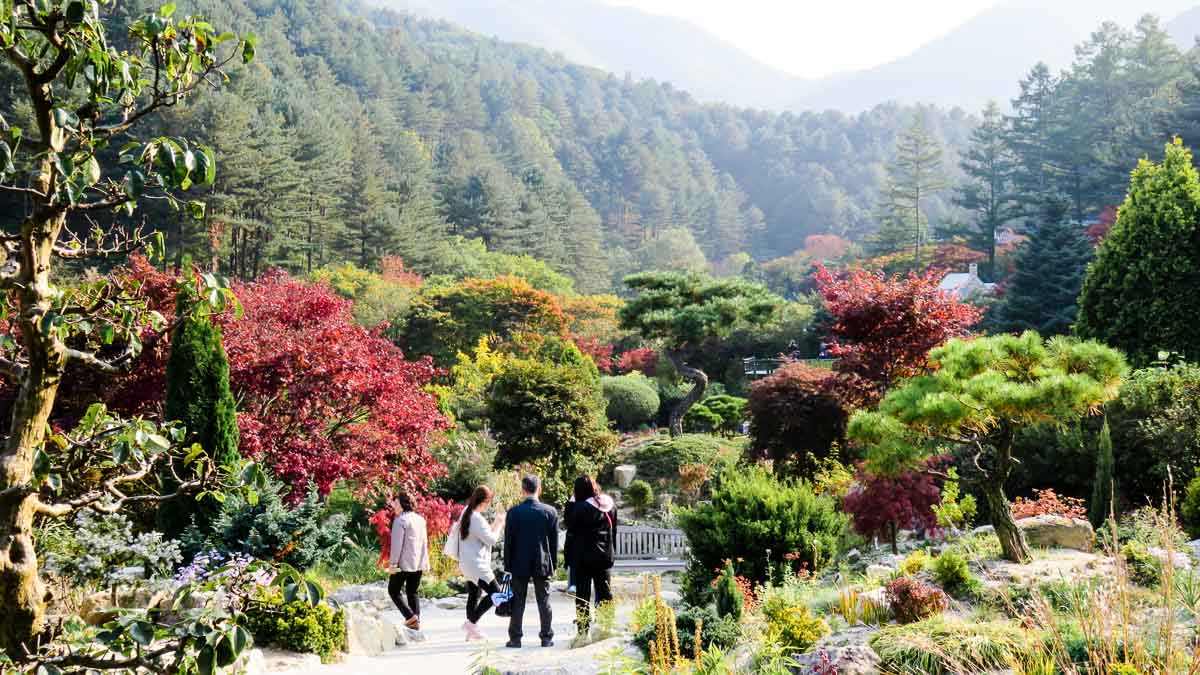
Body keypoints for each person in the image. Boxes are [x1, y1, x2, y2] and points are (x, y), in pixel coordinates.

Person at [503, 475, 558, 648]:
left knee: (518, 600)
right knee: (544, 600)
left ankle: (515, 638)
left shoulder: (513, 512)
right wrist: (553, 565)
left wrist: (507, 566)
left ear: (523, 490)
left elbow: (509, 541)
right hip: (541, 561)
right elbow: (554, 543)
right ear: (539, 489)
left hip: (519, 562)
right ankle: (546, 637)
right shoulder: (550, 512)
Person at [564, 475, 617, 635]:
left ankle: (583, 632)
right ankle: (606, 627)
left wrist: (571, 501)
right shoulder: (608, 505)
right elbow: (613, 531)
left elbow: (569, 524)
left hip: (583, 559)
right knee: (605, 593)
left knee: (582, 596)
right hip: (603, 557)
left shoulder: (579, 508)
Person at [456, 485, 506, 641]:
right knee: (497, 594)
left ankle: (472, 630)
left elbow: (483, 535)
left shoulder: (467, 512)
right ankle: (471, 624)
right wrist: (500, 524)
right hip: (477, 565)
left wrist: (495, 524)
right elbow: (491, 539)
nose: (489, 506)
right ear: (484, 501)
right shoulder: (476, 517)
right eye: (489, 502)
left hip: (468, 563)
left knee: (474, 594)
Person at [388, 493, 429, 630]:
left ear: (402, 504)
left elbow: (396, 545)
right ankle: (416, 622)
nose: (394, 505)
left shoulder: (401, 521)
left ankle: (410, 617)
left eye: (396, 502)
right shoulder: (420, 520)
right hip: (419, 562)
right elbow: (424, 543)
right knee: (412, 591)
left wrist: (393, 564)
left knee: (393, 590)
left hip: (403, 564)